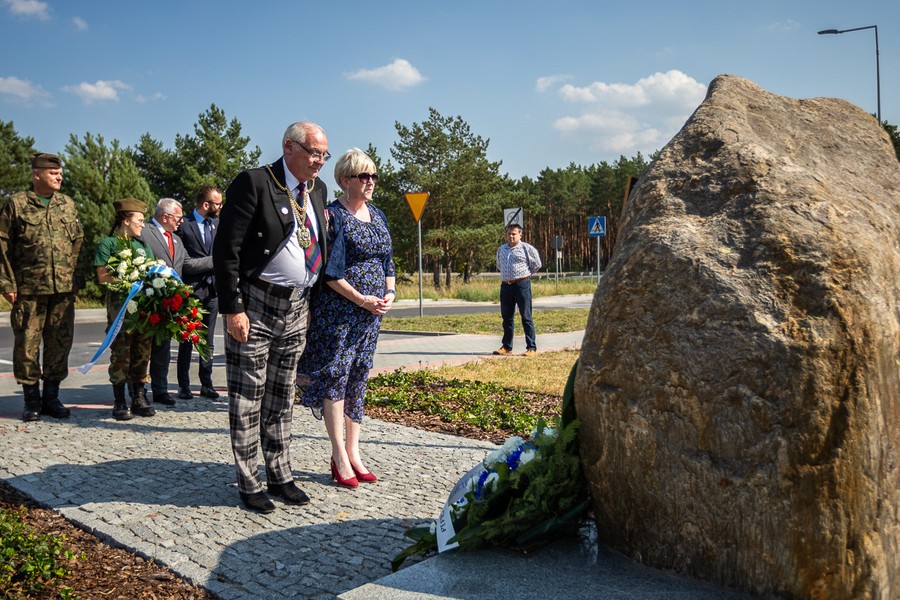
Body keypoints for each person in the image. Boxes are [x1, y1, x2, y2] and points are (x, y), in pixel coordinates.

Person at [213, 121, 330, 513]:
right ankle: (249, 481)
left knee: (282, 396)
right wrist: (232, 307)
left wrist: (310, 301)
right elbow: (226, 251)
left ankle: (280, 473)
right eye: (314, 153)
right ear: (289, 147)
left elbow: (316, 246)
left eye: (324, 155)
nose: (320, 162)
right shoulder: (254, 183)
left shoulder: (318, 190)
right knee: (249, 395)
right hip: (256, 305)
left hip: (297, 305)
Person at [297, 148, 395, 488]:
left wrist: (390, 293)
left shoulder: (378, 215)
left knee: (358, 377)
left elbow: (388, 262)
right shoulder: (332, 216)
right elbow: (329, 271)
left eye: (373, 176)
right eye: (363, 176)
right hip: (339, 311)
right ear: (344, 180)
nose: (370, 182)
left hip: (371, 316)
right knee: (336, 378)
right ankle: (338, 455)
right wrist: (361, 299)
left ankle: (354, 452)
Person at [0, 152, 84, 422]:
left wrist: (75, 279)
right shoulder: (17, 204)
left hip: (62, 290)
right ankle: (31, 400)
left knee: (60, 343)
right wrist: (7, 283)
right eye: (53, 173)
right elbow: (2, 246)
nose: (59, 176)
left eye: (60, 173)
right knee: (27, 345)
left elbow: (78, 244)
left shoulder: (67, 204)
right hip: (29, 289)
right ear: (37, 174)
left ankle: (52, 397)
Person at [94, 198, 157, 420]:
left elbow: (151, 273)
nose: (143, 224)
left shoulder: (143, 246)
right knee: (121, 353)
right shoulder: (108, 244)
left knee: (142, 353)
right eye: (139, 220)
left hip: (142, 310)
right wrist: (128, 281)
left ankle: (139, 397)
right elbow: (102, 277)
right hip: (121, 310)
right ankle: (120, 401)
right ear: (126, 219)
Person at [175, 186, 221, 400]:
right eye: (217, 204)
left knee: (207, 340)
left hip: (212, 291)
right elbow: (181, 260)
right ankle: (183, 385)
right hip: (190, 290)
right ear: (205, 205)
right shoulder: (184, 225)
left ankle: (206, 383)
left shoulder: (217, 224)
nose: (220, 207)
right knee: (187, 339)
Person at [139, 198, 185, 407]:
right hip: (146, 300)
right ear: (165, 217)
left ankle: (160, 389)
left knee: (163, 347)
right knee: (142, 347)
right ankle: (138, 390)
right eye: (178, 217)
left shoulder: (176, 239)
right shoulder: (144, 231)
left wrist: (215, 260)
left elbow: (187, 263)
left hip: (168, 302)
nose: (181, 221)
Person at [494, 223, 541, 357]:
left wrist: (525, 275)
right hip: (505, 286)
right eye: (509, 234)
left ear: (520, 235)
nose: (511, 236)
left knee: (526, 316)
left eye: (514, 234)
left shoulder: (527, 248)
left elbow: (537, 264)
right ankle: (506, 347)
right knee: (507, 318)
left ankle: (531, 347)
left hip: (522, 285)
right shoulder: (501, 249)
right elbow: (499, 265)